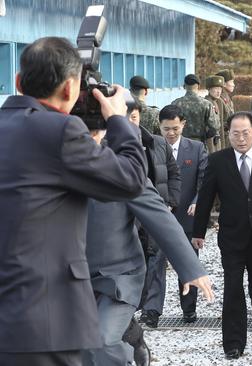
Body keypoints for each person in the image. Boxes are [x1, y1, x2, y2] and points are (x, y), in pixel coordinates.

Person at [0, 36, 147, 365]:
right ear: (70, 89)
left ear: (18, 82)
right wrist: (118, 120)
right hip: (44, 324)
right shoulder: (61, 132)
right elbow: (131, 179)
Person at [83, 127, 213, 365]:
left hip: (118, 274)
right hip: (69, 275)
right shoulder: (47, 162)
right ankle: (132, 334)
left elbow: (158, 214)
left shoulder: (119, 166)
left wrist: (190, 268)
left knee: (101, 342)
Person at [192, 112, 252, 360]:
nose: (241, 137)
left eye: (246, 132)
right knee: (233, 288)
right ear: (228, 134)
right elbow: (205, 198)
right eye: (235, 133)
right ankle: (234, 342)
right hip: (233, 237)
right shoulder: (217, 160)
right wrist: (198, 233)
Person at [140, 105, 208, 327]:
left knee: (187, 262)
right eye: (166, 128)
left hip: (187, 216)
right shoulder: (150, 149)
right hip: (158, 218)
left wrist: (198, 201)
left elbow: (204, 181)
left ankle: (189, 309)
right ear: (159, 126)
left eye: (175, 128)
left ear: (183, 125)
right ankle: (151, 312)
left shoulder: (197, 148)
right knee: (155, 264)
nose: (171, 133)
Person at [172, 74, 220, 153]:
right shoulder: (206, 104)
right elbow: (215, 127)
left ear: (184, 86)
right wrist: (205, 136)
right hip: (200, 145)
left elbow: (171, 124)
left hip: (181, 145)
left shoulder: (175, 103)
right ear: (198, 86)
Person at [204, 74, 227, 149]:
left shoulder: (219, 102)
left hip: (218, 140)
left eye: (220, 89)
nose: (218, 92)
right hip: (209, 141)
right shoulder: (206, 103)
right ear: (209, 89)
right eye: (216, 88)